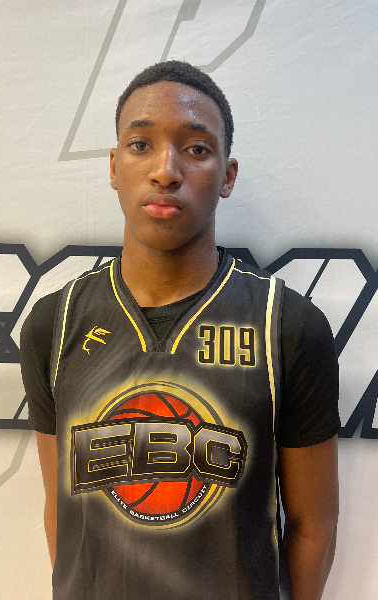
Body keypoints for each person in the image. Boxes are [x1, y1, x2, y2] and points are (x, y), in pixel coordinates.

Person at [20, 60, 340, 600]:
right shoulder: (55, 324)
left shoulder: (287, 327)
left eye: (195, 148)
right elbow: (63, 510)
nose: (166, 170)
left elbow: (314, 525)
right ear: (114, 166)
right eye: (140, 144)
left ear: (227, 175)